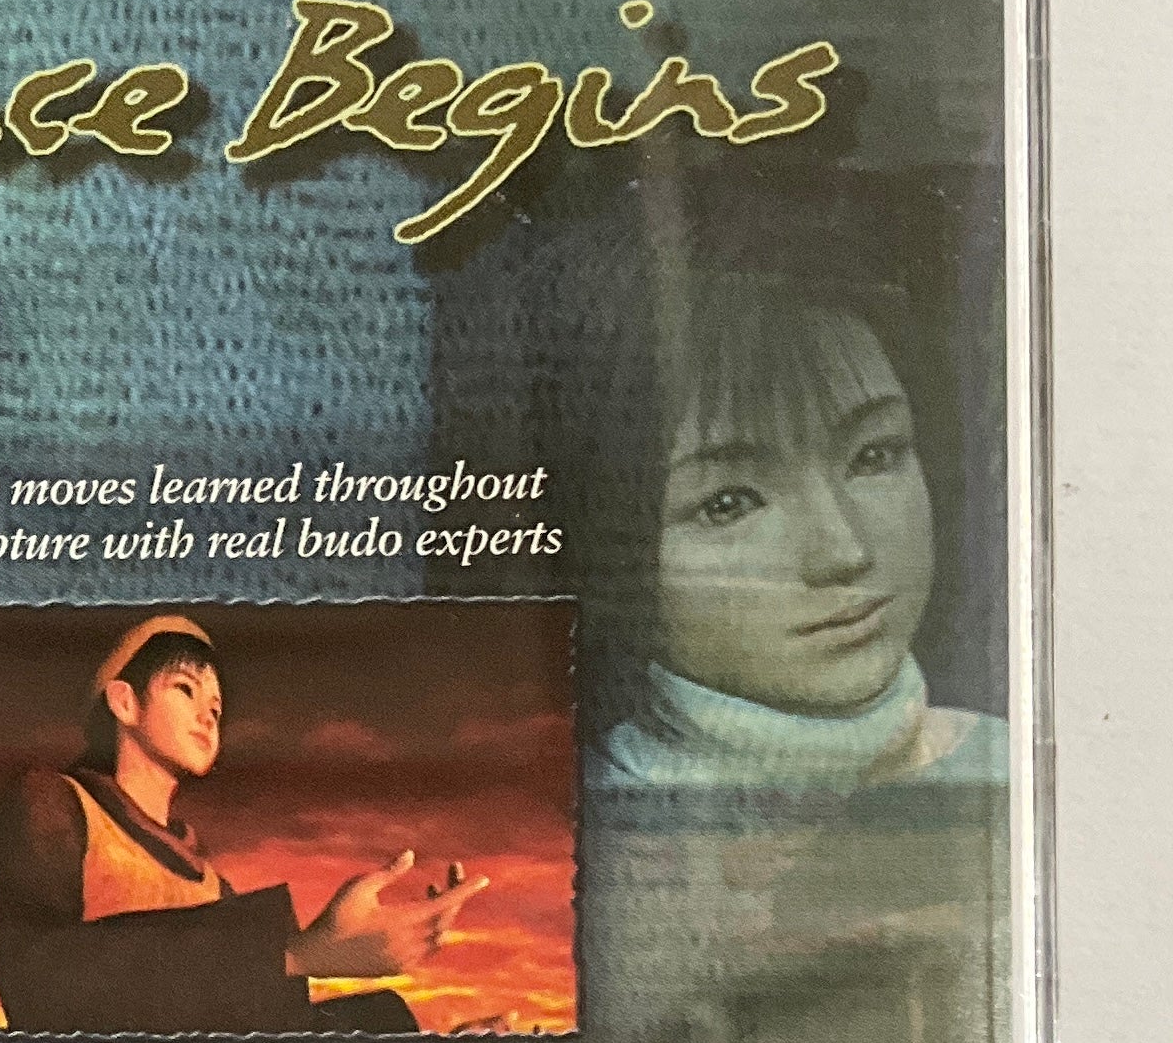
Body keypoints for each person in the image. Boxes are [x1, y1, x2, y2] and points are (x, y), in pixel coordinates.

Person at [428, 196, 1006, 794]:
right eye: (727, 503)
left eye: (873, 455)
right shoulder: (576, 821)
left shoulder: (1010, 767)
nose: (845, 552)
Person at [0, 613, 478, 1035]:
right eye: (184, 689)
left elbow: (258, 1023)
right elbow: (39, 984)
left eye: (215, 706)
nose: (209, 716)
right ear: (125, 702)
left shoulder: (209, 883)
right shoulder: (57, 804)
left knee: (381, 1016)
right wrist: (296, 953)